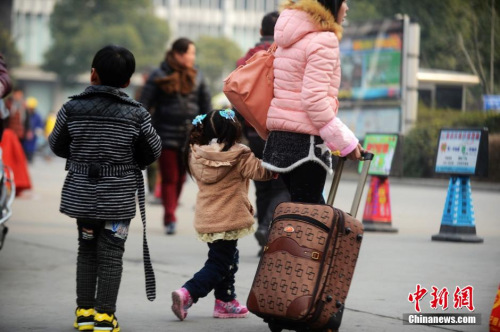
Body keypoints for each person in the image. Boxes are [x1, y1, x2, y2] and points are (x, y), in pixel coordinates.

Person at [49, 45, 162, 332]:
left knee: (86, 250)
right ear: (127, 82)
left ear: (93, 75)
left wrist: (80, 156)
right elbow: (153, 150)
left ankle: (84, 314)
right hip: (118, 197)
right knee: (112, 255)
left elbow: (56, 144)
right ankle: (104, 317)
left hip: (82, 195)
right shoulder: (136, 114)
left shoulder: (70, 108)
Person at [171, 109, 275, 321]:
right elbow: (262, 173)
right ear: (234, 130)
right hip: (228, 218)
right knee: (221, 263)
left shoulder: (195, 152)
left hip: (207, 218)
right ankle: (188, 292)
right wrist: (274, 159)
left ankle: (225, 301)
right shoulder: (240, 154)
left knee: (227, 258)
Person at [262, 0, 364, 205]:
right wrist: (345, 141)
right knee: (308, 220)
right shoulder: (324, 40)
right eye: (344, 1)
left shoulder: (289, 36)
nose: (347, 8)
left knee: (300, 213)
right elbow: (314, 100)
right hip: (306, 145)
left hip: (280, 140)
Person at [140, 37, 212, 235]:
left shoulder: (197, 76)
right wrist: (146, 131)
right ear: (179, 54)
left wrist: (208, 129)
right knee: (170, 177)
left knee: (181, 177)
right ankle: (170, 216)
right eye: (190, 53)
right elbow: (144, 105)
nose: (192, 57)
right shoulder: (159, 74)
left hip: (190, 135)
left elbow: (206, 105)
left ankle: (171, 210)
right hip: (164, 134)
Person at [236, 11, 291, 256]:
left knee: (262, 185)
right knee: (283, 184)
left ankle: (262, 230)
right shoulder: (286, 53)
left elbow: (236, 94)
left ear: (261, 31)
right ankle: (269, 226)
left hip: (253, 132)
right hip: (280, 129)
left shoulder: (247, 58)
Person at [21, 97, 43, 163]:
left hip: (33, 139)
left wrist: (37, 131)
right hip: (24, 139)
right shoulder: (24, 114)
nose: (30, 109)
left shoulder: (37, 116)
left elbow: (40, 126)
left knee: (30, 154)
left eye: (31, 108)